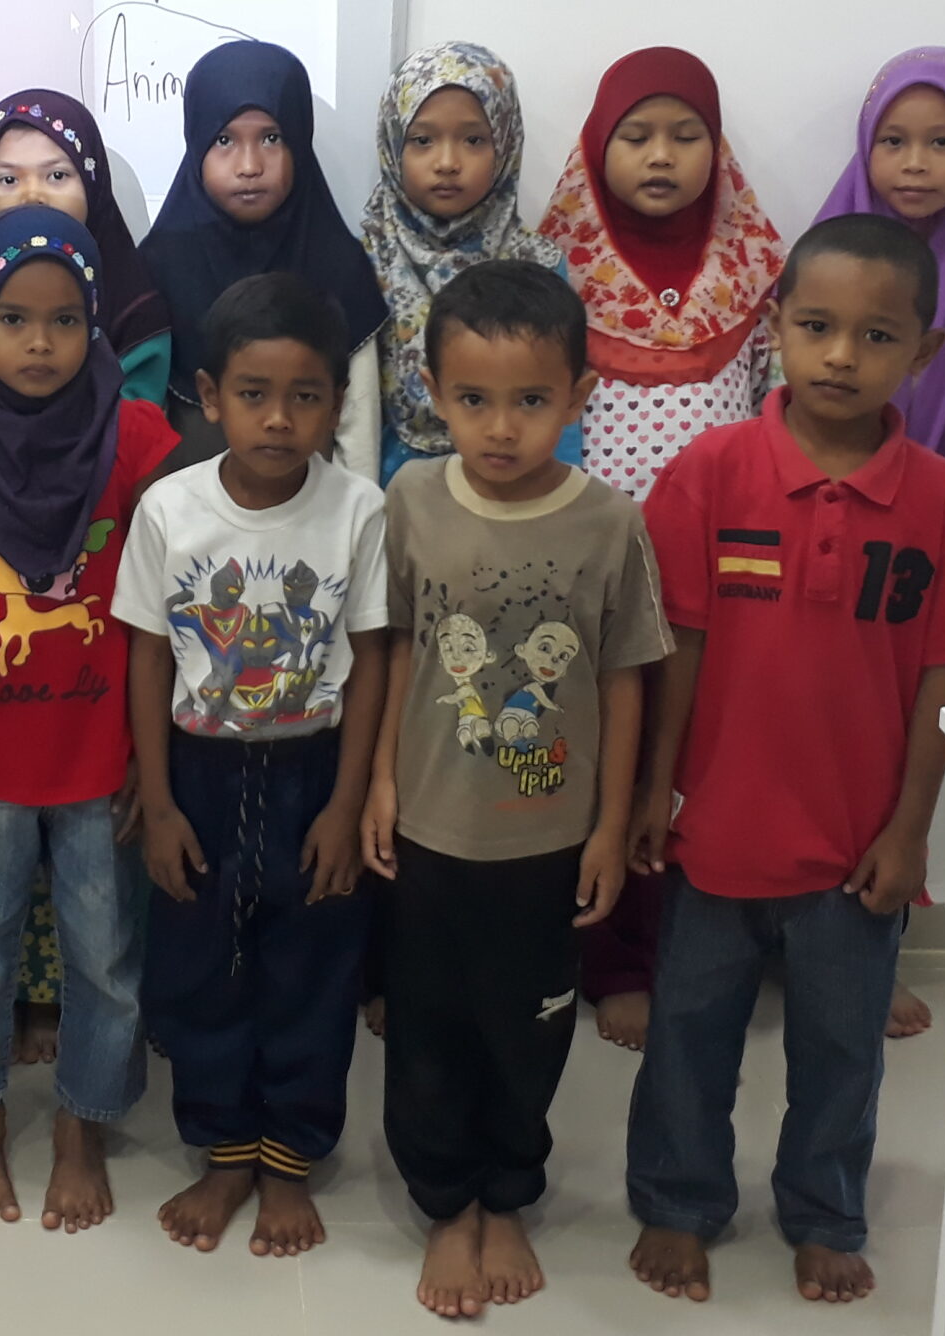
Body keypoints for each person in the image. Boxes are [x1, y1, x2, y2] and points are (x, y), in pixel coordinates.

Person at [624, 214, 945, 1309]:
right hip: (715, 833)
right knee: (688, 1036)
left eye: (876, 336)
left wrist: (909, 832)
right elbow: (677, 647)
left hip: (855, 850)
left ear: (924, 352)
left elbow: (944, 682)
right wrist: (656, 789)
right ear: (776, 328)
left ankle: (824, 1212)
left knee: (842, 1050)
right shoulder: (709, 475)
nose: (841, 355)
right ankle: (677, 1202)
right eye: (816, 327)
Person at [361, 260, 666, 1319]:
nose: (501, 428)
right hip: (433, 830)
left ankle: (506, 1191)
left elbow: (624, 679)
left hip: (548, 839)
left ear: (579, 396)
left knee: (528, 1028)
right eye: (474, 399)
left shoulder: (610, 524)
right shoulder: (410, 498)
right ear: (433, 394)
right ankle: (447, 1201)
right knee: (430, 1027)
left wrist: (611, 824)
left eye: (531, 400)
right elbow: (398, 648)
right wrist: (381, 783)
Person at [0, 208, 180, 1233]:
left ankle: (80, 1126)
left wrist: (149, 757)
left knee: (106, 961)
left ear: (95, 323)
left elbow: (152, 611)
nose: (41, 343)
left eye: (65, 320)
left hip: (102, 758)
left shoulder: (133, 440)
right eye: (14, 319)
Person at [117, 273, 389, 1259]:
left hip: (313, 772)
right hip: (199, 775)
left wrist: (347, 804)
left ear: (337, 404)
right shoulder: (169, 509)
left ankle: (289, 1158)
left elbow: (373, 659)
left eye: (305, 397)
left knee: (310, 972)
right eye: (253, 394)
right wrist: (156, 802)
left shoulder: (358, 510)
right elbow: (149, 655)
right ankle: (225, 1150)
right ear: (209, 394)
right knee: (202, 973)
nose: (278, 419)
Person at [537, 45, 783, 1053]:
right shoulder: (557, 272)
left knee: (697, 755)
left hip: (720, 571)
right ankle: (613, 959)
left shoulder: (756, 275)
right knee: (602, 754)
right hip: (593, 567)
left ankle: (702, 949)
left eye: (686, 135)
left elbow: (777, 416)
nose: (660, 155)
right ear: (597, 147)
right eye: (635, 135)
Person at [811, 46, 945, 1041]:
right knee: (804, 742)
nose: (913, 162)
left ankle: (875, 943)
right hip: (814, 529)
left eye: (941, 142)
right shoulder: (817, 257)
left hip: (924, 546)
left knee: (905, 757)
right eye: (893, 140)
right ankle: (780, 938)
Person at [140, 42, 388, 478]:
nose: (250, 165)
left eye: (272, 138)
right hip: (190, 504)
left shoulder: (337, 262)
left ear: (300, 142)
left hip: (313, 504)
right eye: (224, 140)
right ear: (196, 142)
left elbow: (358, 423)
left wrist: (358, 509)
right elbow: (146, 421)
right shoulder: (159, 264)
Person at [361, 40, 577, 484]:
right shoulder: (366, 258)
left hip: (515, 492)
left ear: (505, 144)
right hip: (389, 495)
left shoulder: (537, 265)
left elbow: (561, 401)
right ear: (393, 143)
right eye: (422, 140)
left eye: (474, 140)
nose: (447, 162)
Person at [0, 89, 173, 406]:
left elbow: (136, 422)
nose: (32, 196)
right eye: (8, 180)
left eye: (57, 175)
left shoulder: (134, 313)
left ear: (93, 184)